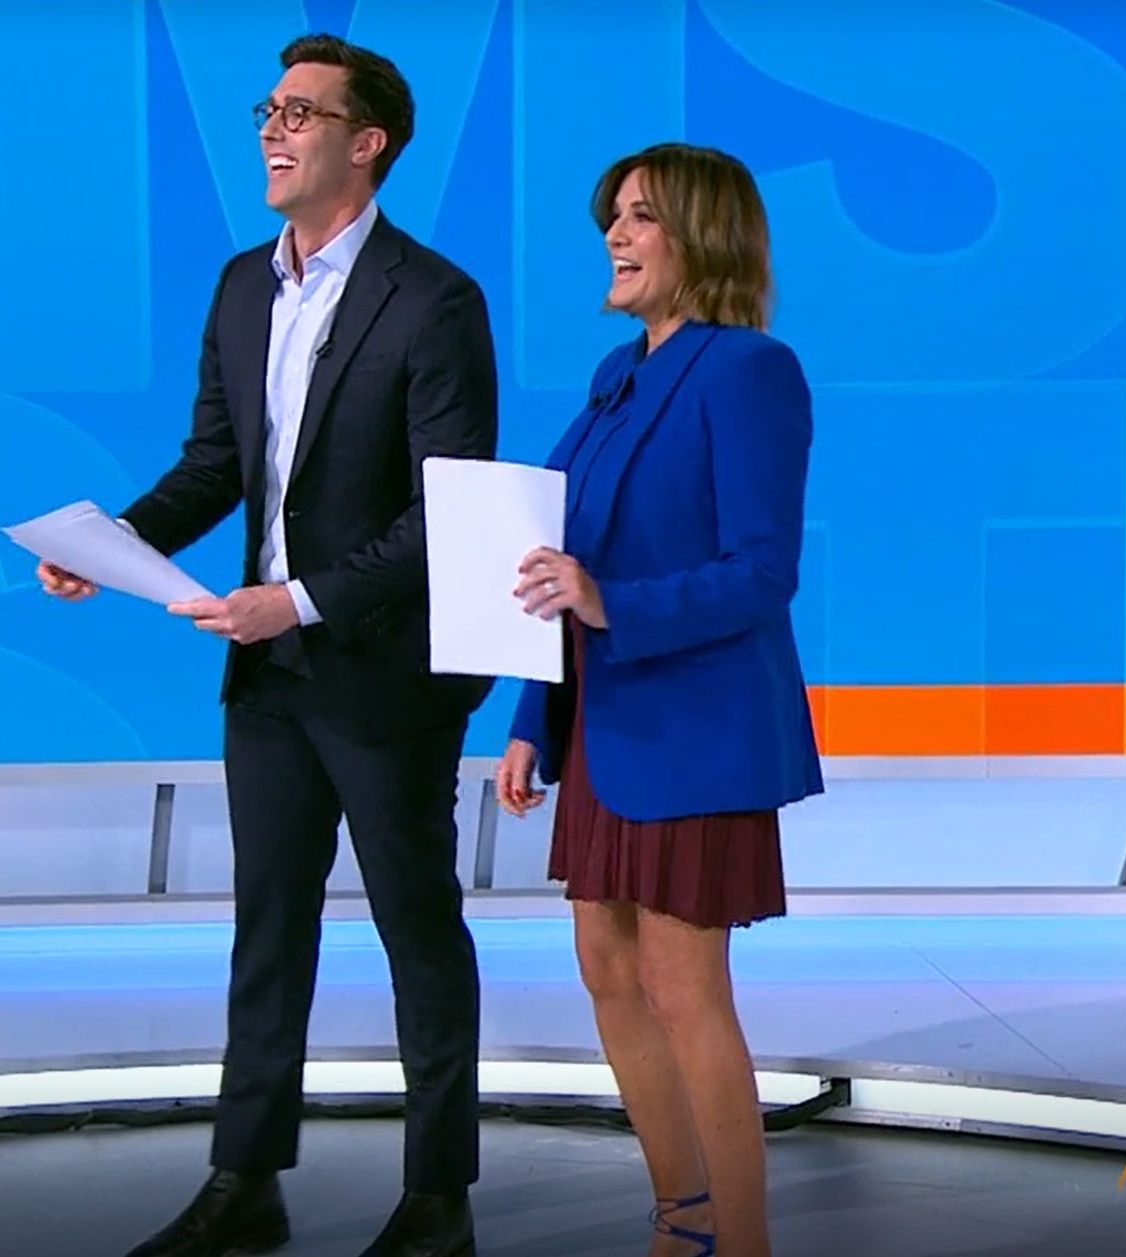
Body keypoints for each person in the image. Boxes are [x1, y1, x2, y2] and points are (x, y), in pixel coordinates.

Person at [37, 33, 497, 1257]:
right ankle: (246, 1182)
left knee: (416, 928)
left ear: (367, 143)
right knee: (268, 927)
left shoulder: (434, 299)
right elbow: (216, 463)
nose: (274, 132)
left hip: (386, 672)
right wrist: (116, 541)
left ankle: (438, 1198)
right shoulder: (246, 284)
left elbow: (445, 512)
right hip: (270, 680)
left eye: (301, 113)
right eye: (269, 111)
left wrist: (299, 601)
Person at [492, 143, 821, 1257]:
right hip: (602, 725)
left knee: (686, 990)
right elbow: (560, 567)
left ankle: (743, 1239)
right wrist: (531, 722)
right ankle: (682, 1218)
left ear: (702, 235)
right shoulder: (616, 378)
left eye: (640, 217)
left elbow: (761, 572)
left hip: (695, 728)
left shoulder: (747, 370)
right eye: (613, 217)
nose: (615, 236)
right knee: (608, 974)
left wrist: (610, 602)